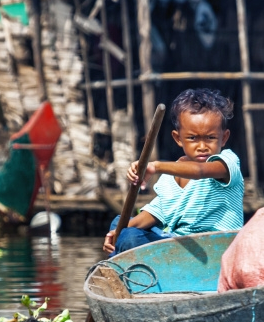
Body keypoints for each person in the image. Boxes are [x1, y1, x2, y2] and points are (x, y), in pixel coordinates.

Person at [103, 88, 244, 255]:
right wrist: (115, 235)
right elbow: (155, 214)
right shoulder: (169, 179)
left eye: (210, 138)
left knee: (128, 236)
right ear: (178, 138)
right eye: (192, 138)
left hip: (216, 249)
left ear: (224, 138)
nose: (202, 146)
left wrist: (156, 166)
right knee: (121, 225)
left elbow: (199, 171)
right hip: (181, 251)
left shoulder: (227, 163)